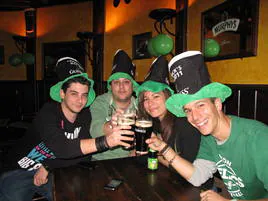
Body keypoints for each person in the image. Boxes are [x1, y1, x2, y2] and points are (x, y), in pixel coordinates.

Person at [0, 57, 134, 201]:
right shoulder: (48, 112)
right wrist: (106, 141)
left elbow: (82, 155)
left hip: (55, 170)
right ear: (62, 94)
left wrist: (48, 166)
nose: (80, 100)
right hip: (19, 170)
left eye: (84, 95)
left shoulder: (85, 116)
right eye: (74, 93)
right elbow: (62, 148)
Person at [146, 51, 268, 200]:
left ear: (217, 104)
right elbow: (197, 176)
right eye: (188, 110)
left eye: (200, 105)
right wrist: (163, 148)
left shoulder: (258, 138)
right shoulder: (209, 137)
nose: (195, 117)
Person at [136, 56, 213, 189]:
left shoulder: (185, 123)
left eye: (156, 96)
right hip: (170, 182)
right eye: (146, 99)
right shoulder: (151, 123)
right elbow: (142, 159)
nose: (150, 103)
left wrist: (157, 154)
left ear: (167, 97)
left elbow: (188, 169)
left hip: (199, 189)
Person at [90, 49, 139, 160]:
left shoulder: (140, 105)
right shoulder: (100, 102)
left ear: (133, 86)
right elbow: (94, 130)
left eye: (126, 82)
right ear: (110, 86)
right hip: (101, 161)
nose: (121, 86)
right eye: (116, 82)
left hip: (131, 161)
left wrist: (137, 150)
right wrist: (111, 124)